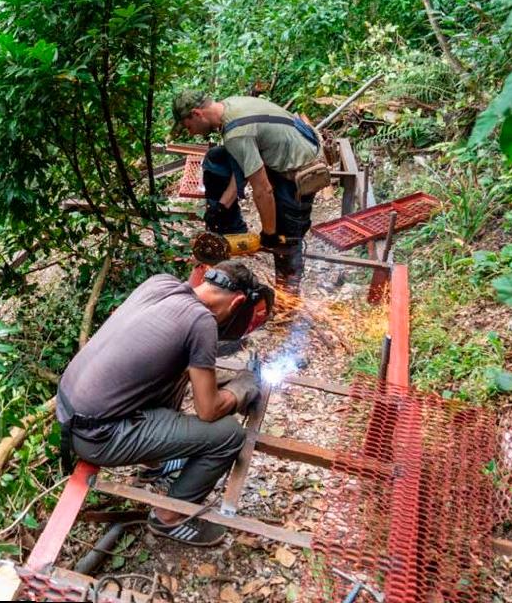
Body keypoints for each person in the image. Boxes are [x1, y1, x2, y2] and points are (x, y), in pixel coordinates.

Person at [56, 260, 265, 547]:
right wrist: (241, 389)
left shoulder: (161, 284)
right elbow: (208, 411)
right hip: (98, 436)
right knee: (229, 436)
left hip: (69, 415)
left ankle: (157, 461)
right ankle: (170, 518)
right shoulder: (202, 321)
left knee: (178, 370)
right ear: (238, 301)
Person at [171, 90, 324, 290]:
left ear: (197, 113)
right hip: (280, 148)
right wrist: (223, 205)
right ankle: (230, 230)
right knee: (216, 159)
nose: (191, 133)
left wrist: (268, 233)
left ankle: (289, 296)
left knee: (285, 239)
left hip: (299, 166)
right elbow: (242, 158)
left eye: (188, 127)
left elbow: (263, 190)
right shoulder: (230, 105)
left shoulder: (236, 132)